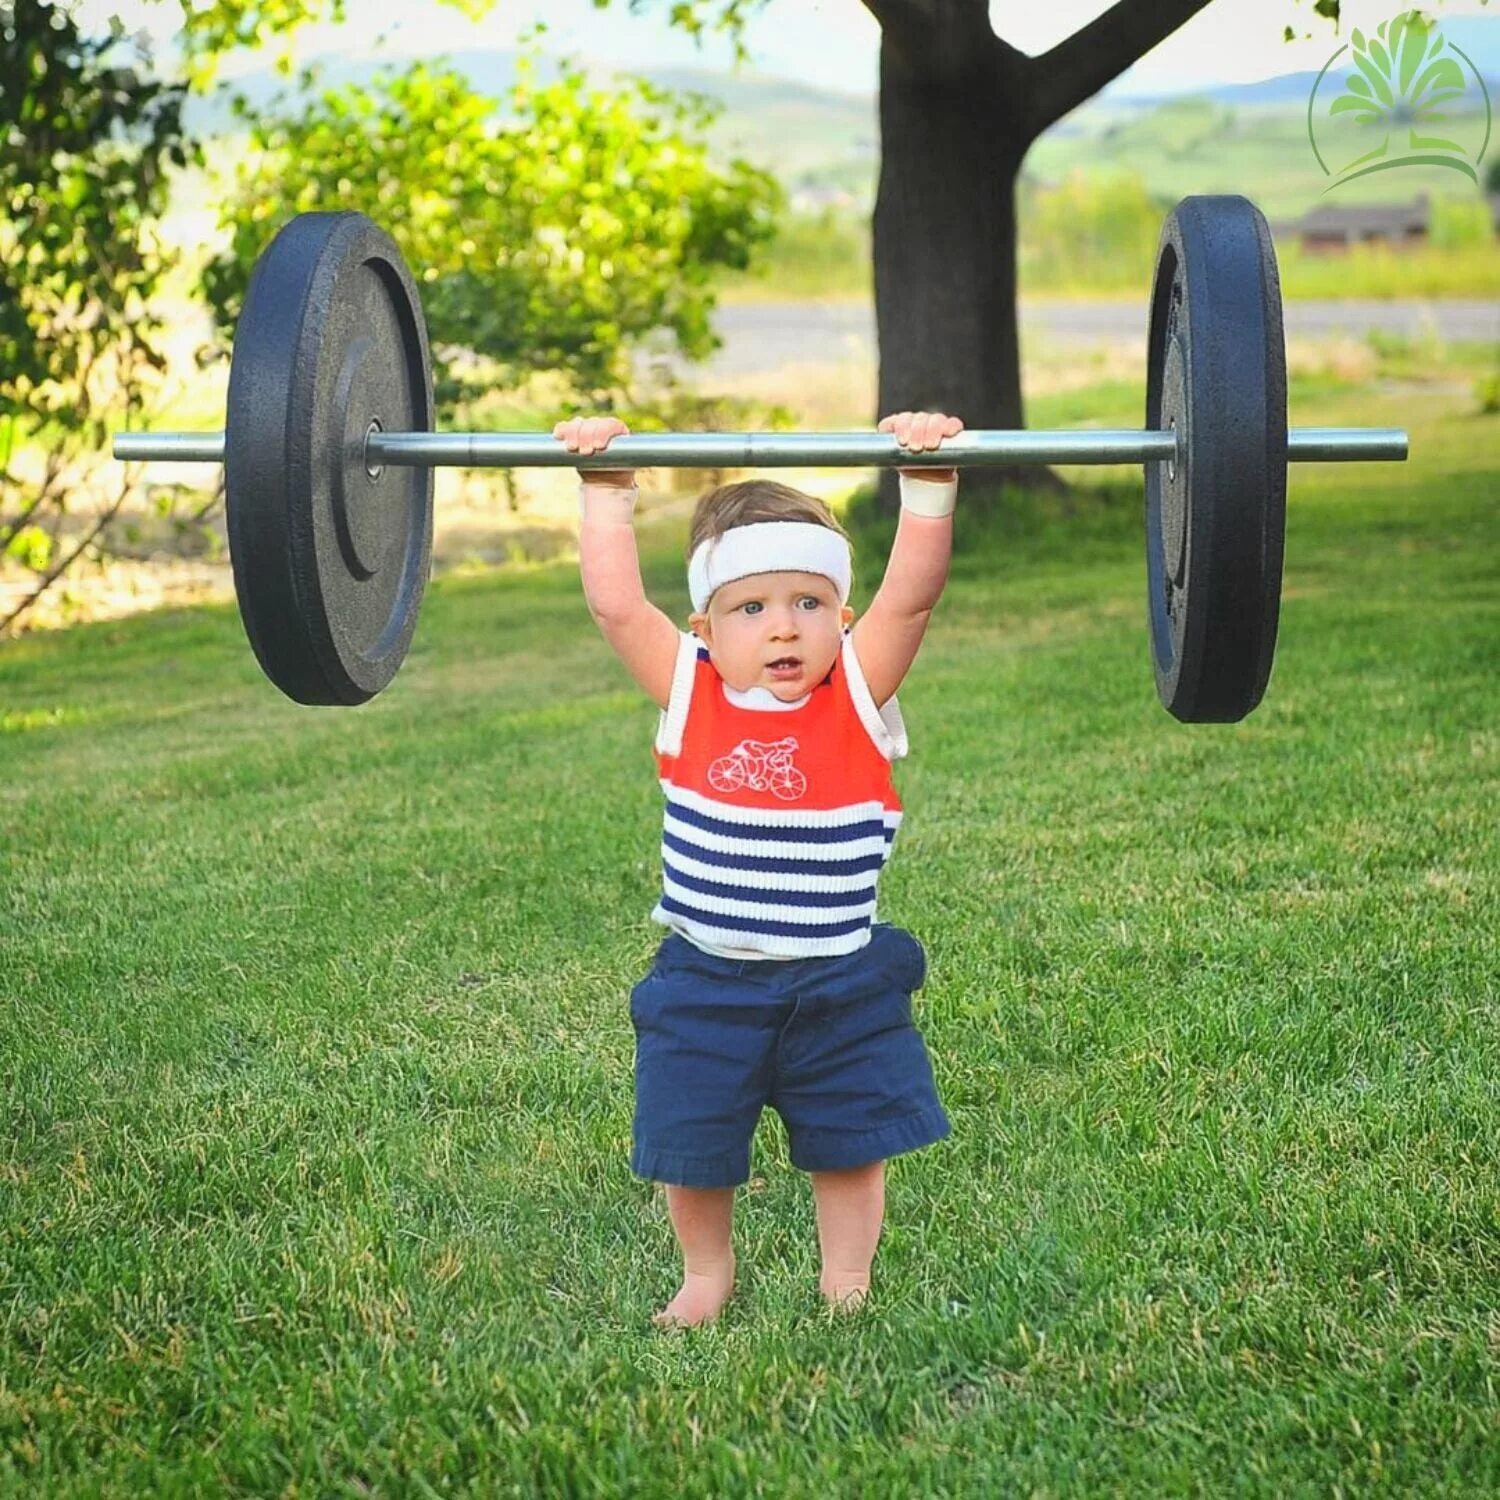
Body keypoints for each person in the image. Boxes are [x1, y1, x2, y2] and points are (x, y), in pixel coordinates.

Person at [560, 409, 962, 1328]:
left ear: (841, 618)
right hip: (707, 978)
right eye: (753, 608)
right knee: (690, 1145)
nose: (784, 630)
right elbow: (618, 606)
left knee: (850, 1143)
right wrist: (606, 492)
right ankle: (707, 1275)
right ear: (705, 625)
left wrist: (927, 481)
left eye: (808, 604)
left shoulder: (857, 694)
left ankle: (846, 1282)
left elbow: (912, 599)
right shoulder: (691, 690)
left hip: (839, 979)